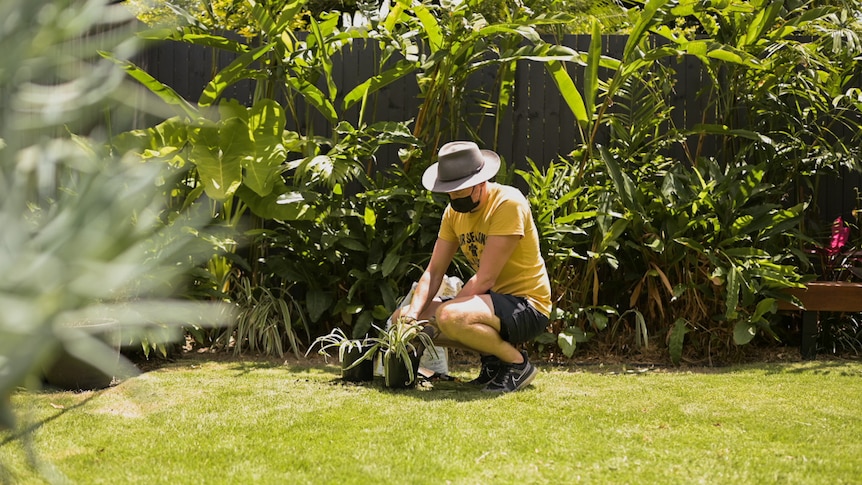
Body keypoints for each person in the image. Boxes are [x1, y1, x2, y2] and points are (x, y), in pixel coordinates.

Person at [393, 141, 552, 392]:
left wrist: (443, 316)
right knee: (401, 318)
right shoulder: (452, 213)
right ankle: (493, 361)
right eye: (449, 191)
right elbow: (434, 271)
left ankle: (516, 365)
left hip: (527, 305)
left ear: (480, 182)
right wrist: (413, 317)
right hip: (489, 304)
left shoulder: (508, 204)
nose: (453, 197)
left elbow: (486, 278)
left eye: (459, 190)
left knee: (448, 317)